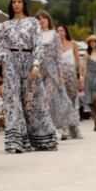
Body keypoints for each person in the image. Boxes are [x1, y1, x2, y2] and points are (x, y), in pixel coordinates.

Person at [0, 0, 58, 152]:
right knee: (13, 102)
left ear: (24, 4)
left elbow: (38, 44)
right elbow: (1, 46)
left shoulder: (33, 22)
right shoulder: (6, 25)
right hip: (12, 63)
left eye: (19, 2)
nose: (16, 4)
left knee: (32, 102)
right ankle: (16, 142)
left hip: (30, 60)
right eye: (14, 2)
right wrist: (6, 60)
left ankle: (42, 139)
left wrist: (36, 64)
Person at [34, 11, 76, 140]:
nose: (42, 21)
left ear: (48, 19)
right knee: (40, 99)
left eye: (44, 18)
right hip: (39, 69)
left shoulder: (55, 35)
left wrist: (61, 73)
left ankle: (54, 127)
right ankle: (46, 127)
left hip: (52, 70)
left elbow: (58, 56)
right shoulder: (35, 35)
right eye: (39, 19)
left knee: (50, 98)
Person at [56, 25, 83, 139]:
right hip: (60, 76)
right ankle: (64, 129)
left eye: (61, 31)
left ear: (66, 32)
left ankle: (75, 128)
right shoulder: (55, 45)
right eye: (58, 31)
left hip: (71, 75)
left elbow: (78, 62)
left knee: (71, 102)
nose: (60, 33)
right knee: (62, 101)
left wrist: (80, 76)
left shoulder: (73, 44)